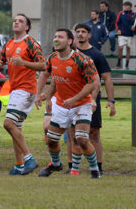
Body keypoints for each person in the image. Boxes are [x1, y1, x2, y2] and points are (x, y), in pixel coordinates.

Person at [35, 28, 100, 178]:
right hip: (61, 105)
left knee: (82, 139)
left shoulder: (83, 60)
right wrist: (43, 95)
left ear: (70, 41)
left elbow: (92, 84)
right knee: (51, 140)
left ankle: (95, 170)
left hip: (81, 104)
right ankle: (56, 164)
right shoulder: (52, 58)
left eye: (60, 37)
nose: (55, 39)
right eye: (55, 36)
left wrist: (75, 99)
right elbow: (50, 77)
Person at [0, 13, 46, 175]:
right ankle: (19, 165)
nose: (16, 23)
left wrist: (24, 63)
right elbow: (0, 63)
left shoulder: (31, 43)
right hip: (15, 89)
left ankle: (30, 159)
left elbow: (43, 65)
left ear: (27, 27)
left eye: (20, 21)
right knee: (16, 128)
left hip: (26, 89)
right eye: (15, 20)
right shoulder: (8, 44)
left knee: (8, 124)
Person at [74, 22, 116, 173]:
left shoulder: (97, 55)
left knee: (94, 133)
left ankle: (98, 166)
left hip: (92, 98)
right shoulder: (70, 53)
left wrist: (111, 101)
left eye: (83, 31)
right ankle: (72, 167)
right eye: (77, 31)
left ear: (89, 35)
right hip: (72, 98)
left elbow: (107, 78)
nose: (80, 34)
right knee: (72, 133)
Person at [115, 1, 135, 68]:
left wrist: (134, 28)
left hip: (130, 34)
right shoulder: (121, 13)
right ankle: (118, 62)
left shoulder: (134, 14)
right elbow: (117, 23)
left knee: (128, 49)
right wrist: (118, 30)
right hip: (122, 34)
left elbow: (135, 23)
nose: (125, 7)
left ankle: (127, 64)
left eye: (126, 6)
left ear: (130, 7)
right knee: (120, 48)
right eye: (124, 6)